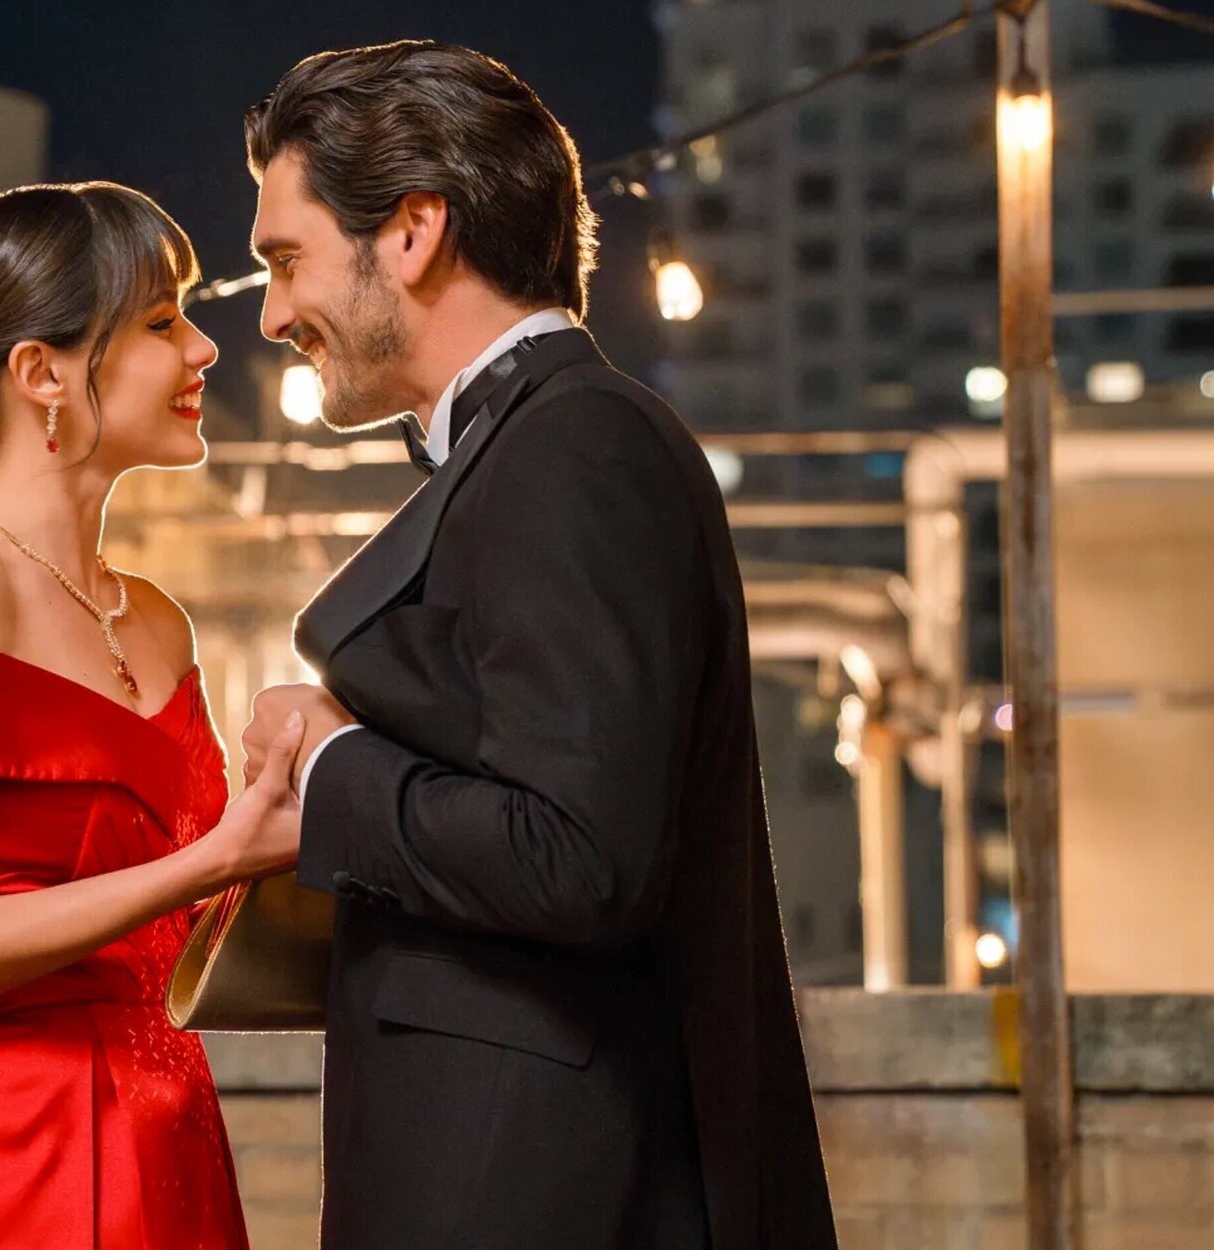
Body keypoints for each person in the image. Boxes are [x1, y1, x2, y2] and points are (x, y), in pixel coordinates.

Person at [237, 42, 839, 1249]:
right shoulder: (534, 443)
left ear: (412, 233)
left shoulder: (574, 445)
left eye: (285, 259)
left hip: (535, 1189)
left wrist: (330, 764)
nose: (271, 314)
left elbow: (577, 857)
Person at [0, 181, 298, 1250]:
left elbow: (191, 927)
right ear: (41, 373)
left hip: (166, 1131)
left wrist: (312, 786)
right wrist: (209, 860)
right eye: (161, 322)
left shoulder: (158, 623)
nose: (203, 349)